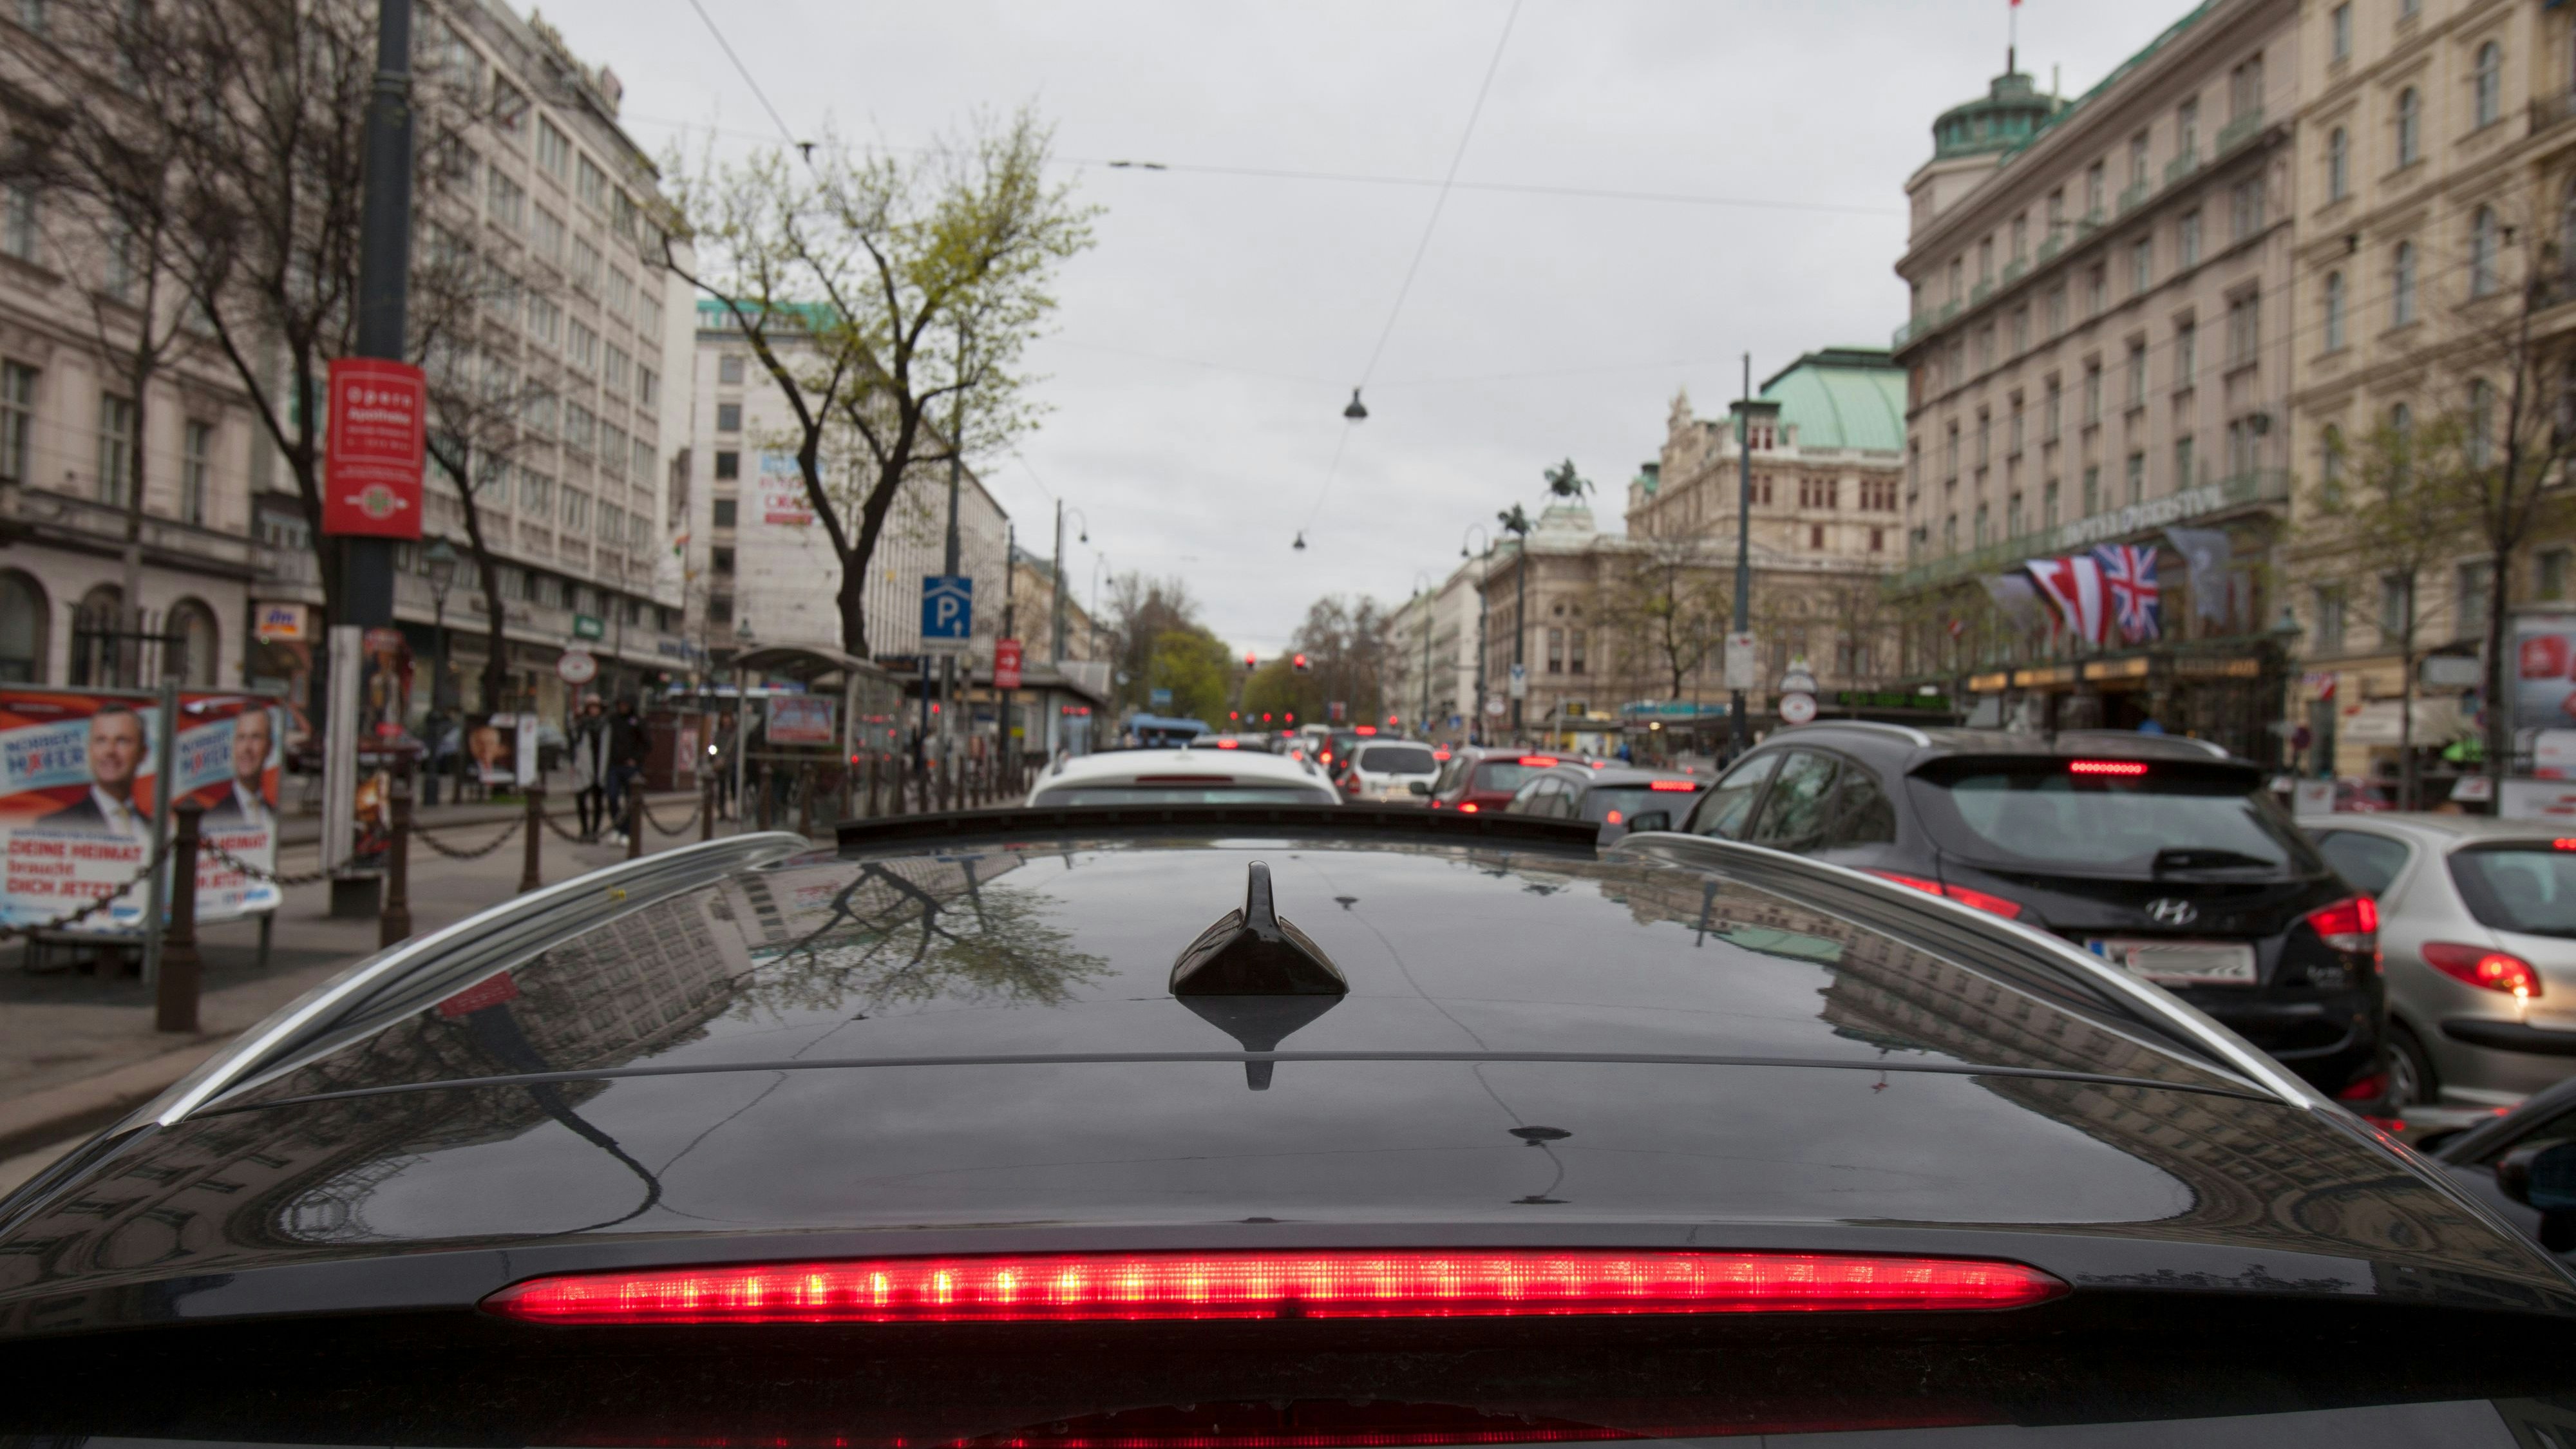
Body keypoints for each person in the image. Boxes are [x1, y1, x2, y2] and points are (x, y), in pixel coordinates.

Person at [41, 705, 150, 841]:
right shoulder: (54, 826)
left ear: (143, 753)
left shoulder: (157, 830)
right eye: (101, 740)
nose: (110, 751)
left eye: (122, 741)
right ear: (90, 750)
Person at [202, 708, 276, 831]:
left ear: (269, 747)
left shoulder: (273, 813)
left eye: (256, 737)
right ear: (234, 746)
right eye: (241, 738)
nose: (247, 748)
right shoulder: (214, 818)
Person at [605, 699, 647, 842]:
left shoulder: (637, 721)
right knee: (612, 797)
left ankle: (628, 831)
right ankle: (618, 827)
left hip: (631, 767)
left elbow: (647, 743)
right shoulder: (613, 720)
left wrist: (636, 759)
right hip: (614, 765)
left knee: (631, 799)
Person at [569, 700, 609, 842]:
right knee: (581, 799)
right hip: (584, 766)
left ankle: (595, 831)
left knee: (598, 801)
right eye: (591, 708)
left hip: (600, 766)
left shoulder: (605, 726)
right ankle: (584, 829)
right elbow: (573, 744)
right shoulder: (581, 725)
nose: (594, 710)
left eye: (596, 708)